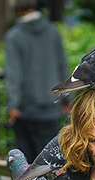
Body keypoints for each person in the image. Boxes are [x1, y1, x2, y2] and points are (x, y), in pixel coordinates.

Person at [4, 0, 69, 162]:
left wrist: (13, 104)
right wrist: (67, 98)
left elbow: (13, 73)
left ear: (17, 9)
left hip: (25, 109)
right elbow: (62, 67)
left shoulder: (14, 36)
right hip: (51, 106)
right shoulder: (53, 31)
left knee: (26, 162)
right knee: (51, 160)